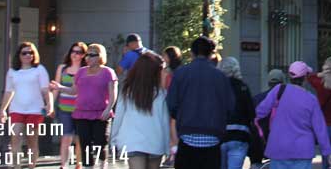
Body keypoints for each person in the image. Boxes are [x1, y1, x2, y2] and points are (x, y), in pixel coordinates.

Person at [166, 36, 235, 169]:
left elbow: (171, 104)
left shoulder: (180, 74)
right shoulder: (220, 77)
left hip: (187, 135)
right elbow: (230, 107)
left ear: (192, 53)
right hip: (213, 137)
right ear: (211, 54)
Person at [255, 60, 331, 169]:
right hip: (302, 150)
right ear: (305, 78)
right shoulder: (311, 99)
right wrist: (328, 153)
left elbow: (260, 111)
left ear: (290, 76)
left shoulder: (278, 90)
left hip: (278, 147)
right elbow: (320, 128)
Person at [50, 43, 117, 168]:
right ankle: (88, 166)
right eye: (87, 55)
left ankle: (102, 165)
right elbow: (74, 91)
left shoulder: (108, 72)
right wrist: (60, 88)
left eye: (93, 55)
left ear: (100, 56)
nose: (88, 57)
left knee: (100, 143)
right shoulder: (81, 72)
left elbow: (113, 93)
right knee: (84, 143)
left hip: (100, 113)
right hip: (82, 113)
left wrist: (109, 109)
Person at [110, 51, 170, 169]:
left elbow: (119, 117)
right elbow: (164, 122)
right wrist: (168, 146)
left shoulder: (127, 92)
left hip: (132, 141)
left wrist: (114, 139)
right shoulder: (161, 94)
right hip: (156, 142)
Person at [0, 41, 52, 169]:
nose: (28, 55)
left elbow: (46, 90)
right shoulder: (12, 72)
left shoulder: (39, 69)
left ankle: (31, 166)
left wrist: (49, 104)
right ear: (19, 55)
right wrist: (2, 110)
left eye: (31, 52)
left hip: (35, 110)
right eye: (25, 53)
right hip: (16, 109)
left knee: (31, 141)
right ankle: (17, 166)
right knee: (15, 138)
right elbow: (8, 91)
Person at [53, 41, 87, 169]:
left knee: (79, 139)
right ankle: (64, 164)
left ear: (83, 55)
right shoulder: (62, 68)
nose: (75, 54)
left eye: (78, 52)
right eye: (73, 51)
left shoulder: (85, 70)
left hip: (80, 109)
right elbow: (56, 87)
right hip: (64, 108)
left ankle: (78, 163)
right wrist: (50, 104)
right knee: (66, 137)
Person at [219, 56, 256, 169]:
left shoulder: (217, 87)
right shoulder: (243, 88)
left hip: (220, 135)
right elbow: (251, 114)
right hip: (240, 135)